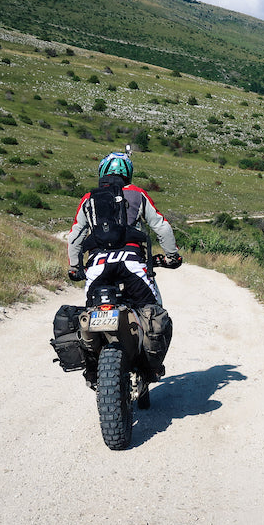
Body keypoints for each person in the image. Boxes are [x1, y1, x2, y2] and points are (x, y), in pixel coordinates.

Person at [67, 150, 181, 384]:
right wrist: (171, 256)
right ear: (128, 173)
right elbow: (162, 227)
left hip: (98, 266)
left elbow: (74, 237)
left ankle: (91, 371)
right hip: (132, 264)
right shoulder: (138, 194)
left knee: (89, 314)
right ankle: (151, 368)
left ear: (102, 172)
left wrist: (74, 267)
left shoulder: (89, 198)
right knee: (153, 310)